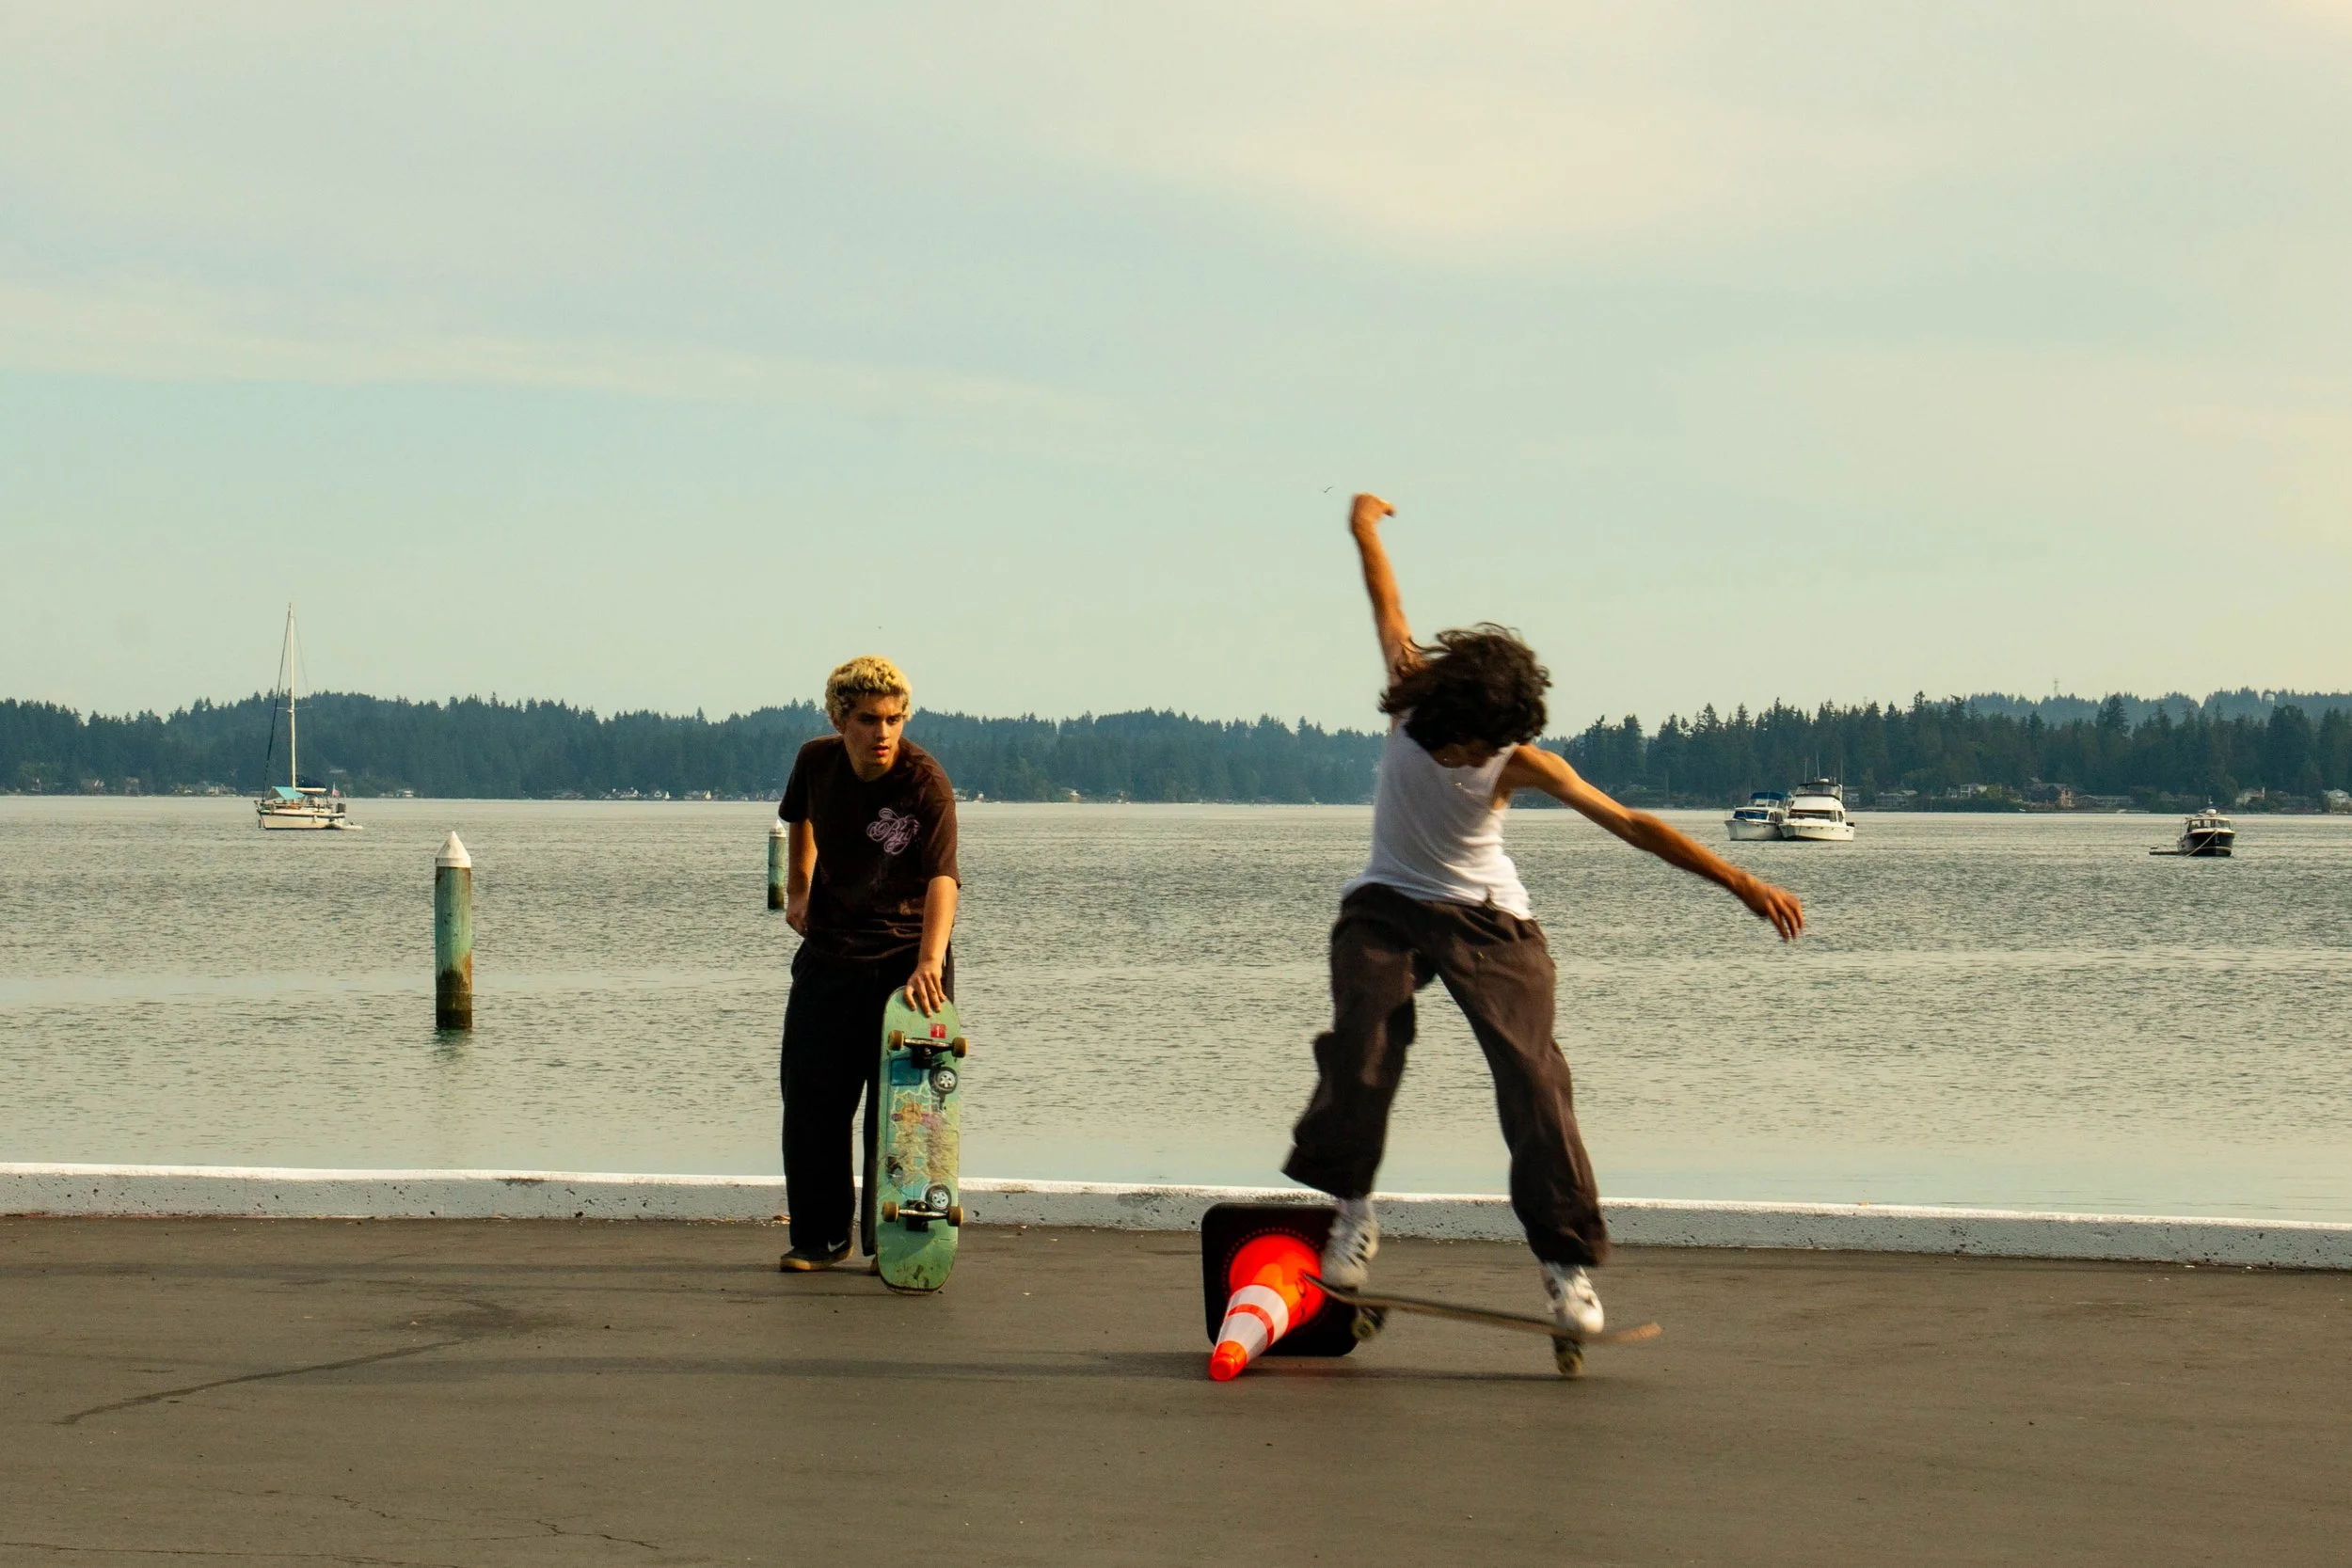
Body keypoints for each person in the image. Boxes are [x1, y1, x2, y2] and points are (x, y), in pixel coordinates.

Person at [1285, 494, 1805, 1333]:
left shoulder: (1519, 759)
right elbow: (1388, 599)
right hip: (1386, 904)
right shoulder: (1410, 691)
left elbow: (1633, 824)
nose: (1471, 760)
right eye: (1461, 747)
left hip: (1491, 919)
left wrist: (1742, 882)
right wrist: (1363, 527)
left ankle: (1563, 1263)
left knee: (1532, 1077)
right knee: (1363, 1038)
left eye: (1486, 750)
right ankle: (1352, 1207)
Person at [775, 656, 961, 1272]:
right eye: (869, 720)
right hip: (829, 954)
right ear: (839, 719)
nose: (883, 733)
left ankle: (897, 1239)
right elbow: (796, 816)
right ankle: (819, 1237)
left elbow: (943, 879)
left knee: (901, 1111)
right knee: (812, 1102)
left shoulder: (924, 782)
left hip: (909, 965)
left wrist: (930, 960)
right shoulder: (815, 761)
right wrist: (797, 886)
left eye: (894, 719)